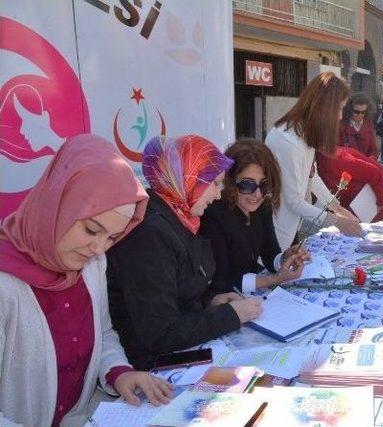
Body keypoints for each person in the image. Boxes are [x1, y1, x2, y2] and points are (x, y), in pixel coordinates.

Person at [0, 135, 172, 426]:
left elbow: (102, 333)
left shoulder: (91, 265)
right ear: (57, 205)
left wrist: (120, 372)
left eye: (112, 238)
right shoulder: (6, 285)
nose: (98, 248)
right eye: (92, 230)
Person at [107, 135, 263, 370]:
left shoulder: (180, 216)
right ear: (190, 177)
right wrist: (229, 315)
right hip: (150, 368)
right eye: (214, 183)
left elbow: (180, 289)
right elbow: (159, 331)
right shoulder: (149, 235)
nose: (217, 195)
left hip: (180, 353)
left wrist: (212, 300)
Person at [265, 72, 362, 249]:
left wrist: (337, 207)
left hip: (290, 228)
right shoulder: (288, 141)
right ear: (323, 107)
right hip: (276, 232)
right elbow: (294, 200)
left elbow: (311, 176)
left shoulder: (303, 133)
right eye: (338, 109)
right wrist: (336, 221)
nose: (340, 117)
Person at [199, 139, 310, 293]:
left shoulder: (263, 207)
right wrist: (275, 279)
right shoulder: (213, 215)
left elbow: (270, 256)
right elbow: (219, 281)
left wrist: (283, 259)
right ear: (230, 180)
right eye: (247, 184)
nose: (257, 194)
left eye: (264, 185)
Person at [316, 146, 383, 222]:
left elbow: (373, 172)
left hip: (382, 191)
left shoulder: (335, 158)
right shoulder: (318, 160)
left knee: (351, 228)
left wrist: (382, 200)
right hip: (355, 197)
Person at [339, 93, 379, 158]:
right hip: (346, 165)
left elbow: (373, 149)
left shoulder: (369, 125)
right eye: (356, 112)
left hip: (363, 164)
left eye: (363, 112)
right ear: (350, 109)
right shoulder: (342, 125)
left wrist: (372, 157)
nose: (360, 115)